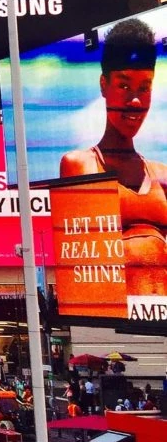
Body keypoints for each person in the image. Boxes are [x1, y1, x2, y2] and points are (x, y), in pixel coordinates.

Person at [60, 18, 167, 296]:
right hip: (114, 316)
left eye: (144, 87)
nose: (135, 100)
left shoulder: (161, 173)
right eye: (124, 85)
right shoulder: (80, 165)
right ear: (103, 85)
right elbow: (82, 259)